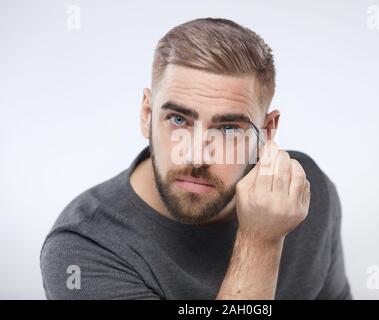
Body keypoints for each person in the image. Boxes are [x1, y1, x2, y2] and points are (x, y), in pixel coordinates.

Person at [40, 17, 352, 300]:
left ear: (267, 131)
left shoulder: (304, 193)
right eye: (178, 120)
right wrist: (261, 240)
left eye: (228, 128)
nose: (197, 156)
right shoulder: (83, 249)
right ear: (147, 114)